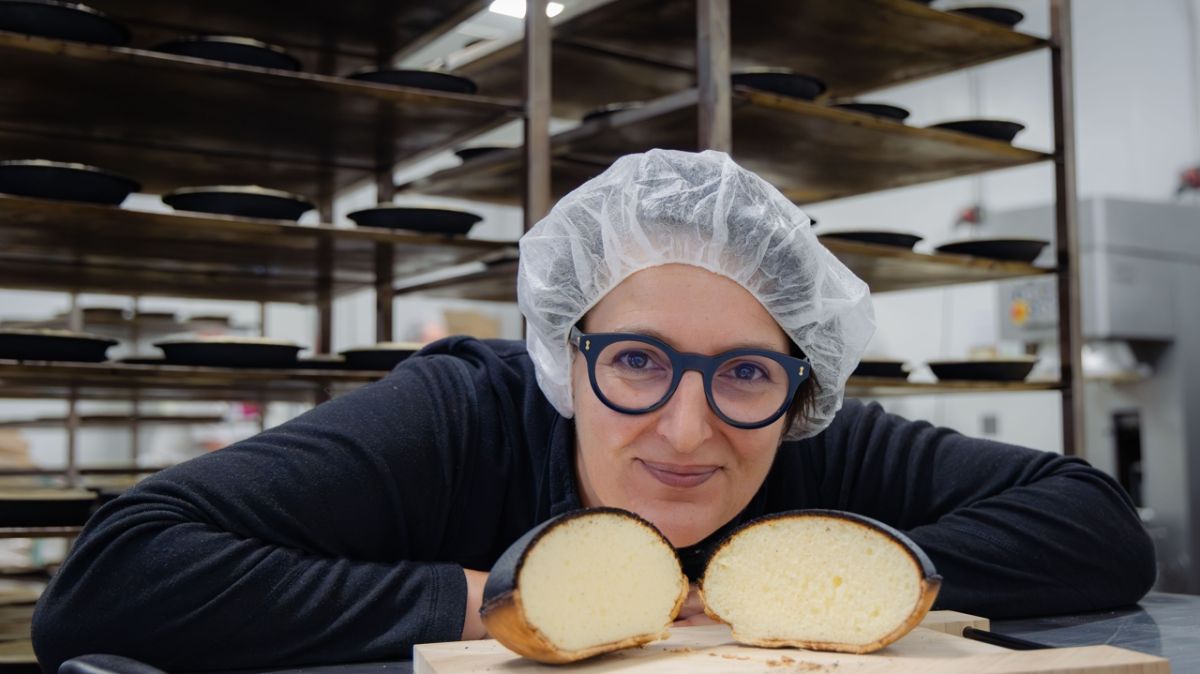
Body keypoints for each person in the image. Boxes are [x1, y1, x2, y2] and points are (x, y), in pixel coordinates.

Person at [32, 150, 1156, 672]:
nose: (688, 429)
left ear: (801, 386)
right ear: (564, 359)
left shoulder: (801, 439)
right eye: (635, 360)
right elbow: (117, 571)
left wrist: (802, 587)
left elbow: (1094, 524)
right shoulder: (460, 417)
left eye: (745, 374)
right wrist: (501, 604)